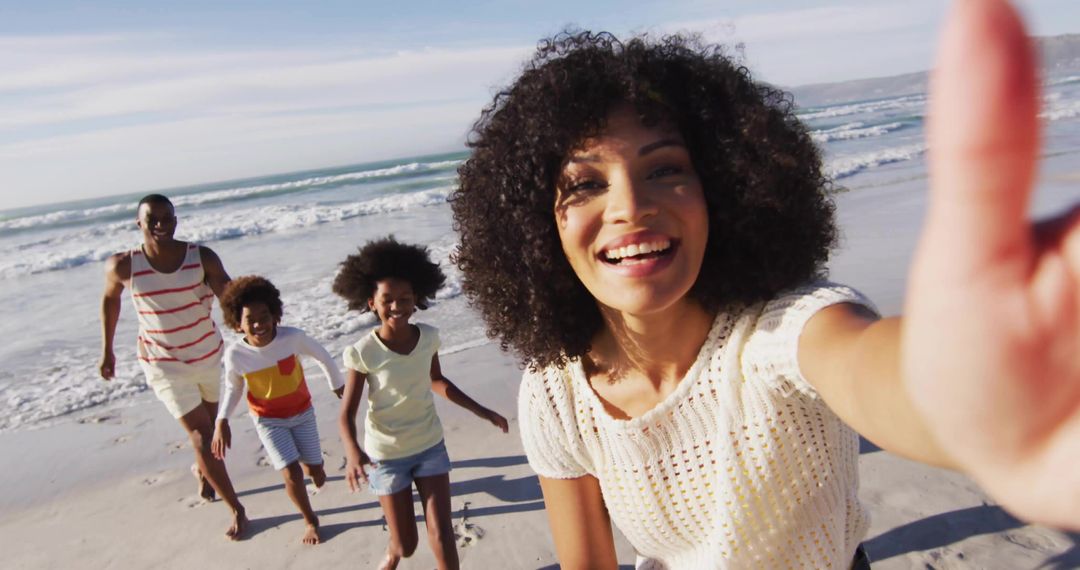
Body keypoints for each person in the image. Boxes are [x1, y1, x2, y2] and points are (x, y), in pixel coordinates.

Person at [449, 0, 1080, 567]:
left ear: (722, 191)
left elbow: (868, 367)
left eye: (666, 168)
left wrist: (967, 393)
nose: (630, 207)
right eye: (586, 183)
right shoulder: (555, 390)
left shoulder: (780, 331)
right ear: (535, 228)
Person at [334, 236, 510, 570]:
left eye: (405, 298)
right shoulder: (362, 353)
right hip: (386, 455)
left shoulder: (428, 337)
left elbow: (437, 381)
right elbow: (346, 414)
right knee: (406, 545)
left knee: (442, 533)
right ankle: (391, 554)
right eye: (388, 299)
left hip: (429, 444)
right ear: (371, 302)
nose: (397, 306)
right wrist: (353, 452)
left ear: (418, 300)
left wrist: (482, 410)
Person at [98, 193, 247, 540]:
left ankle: (202, 470)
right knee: (202, 436)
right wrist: (107, 351)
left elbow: (228, 294)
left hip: (207, 354)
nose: (162, 224)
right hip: (162, 362)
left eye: (168, 217)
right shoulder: (124, 265)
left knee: (208, 430)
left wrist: (252, 327)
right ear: (139, 223)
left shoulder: (202, 257)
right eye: (153, 219)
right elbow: (110, 301)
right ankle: (236, 508)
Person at [211, 275, 346, 545]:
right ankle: (310, 520)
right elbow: (234, 388)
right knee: (290, 472)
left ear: (275, 315)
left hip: (302, 412)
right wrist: (222, 420)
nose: (259, 324)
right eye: (251, 320)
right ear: (238, 324)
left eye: (265, 316)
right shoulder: (236, 355)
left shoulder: (293, 339)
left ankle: (317, 469)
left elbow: (322, 356)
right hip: (268, 420)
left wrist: (337, 386)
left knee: (314, 469)